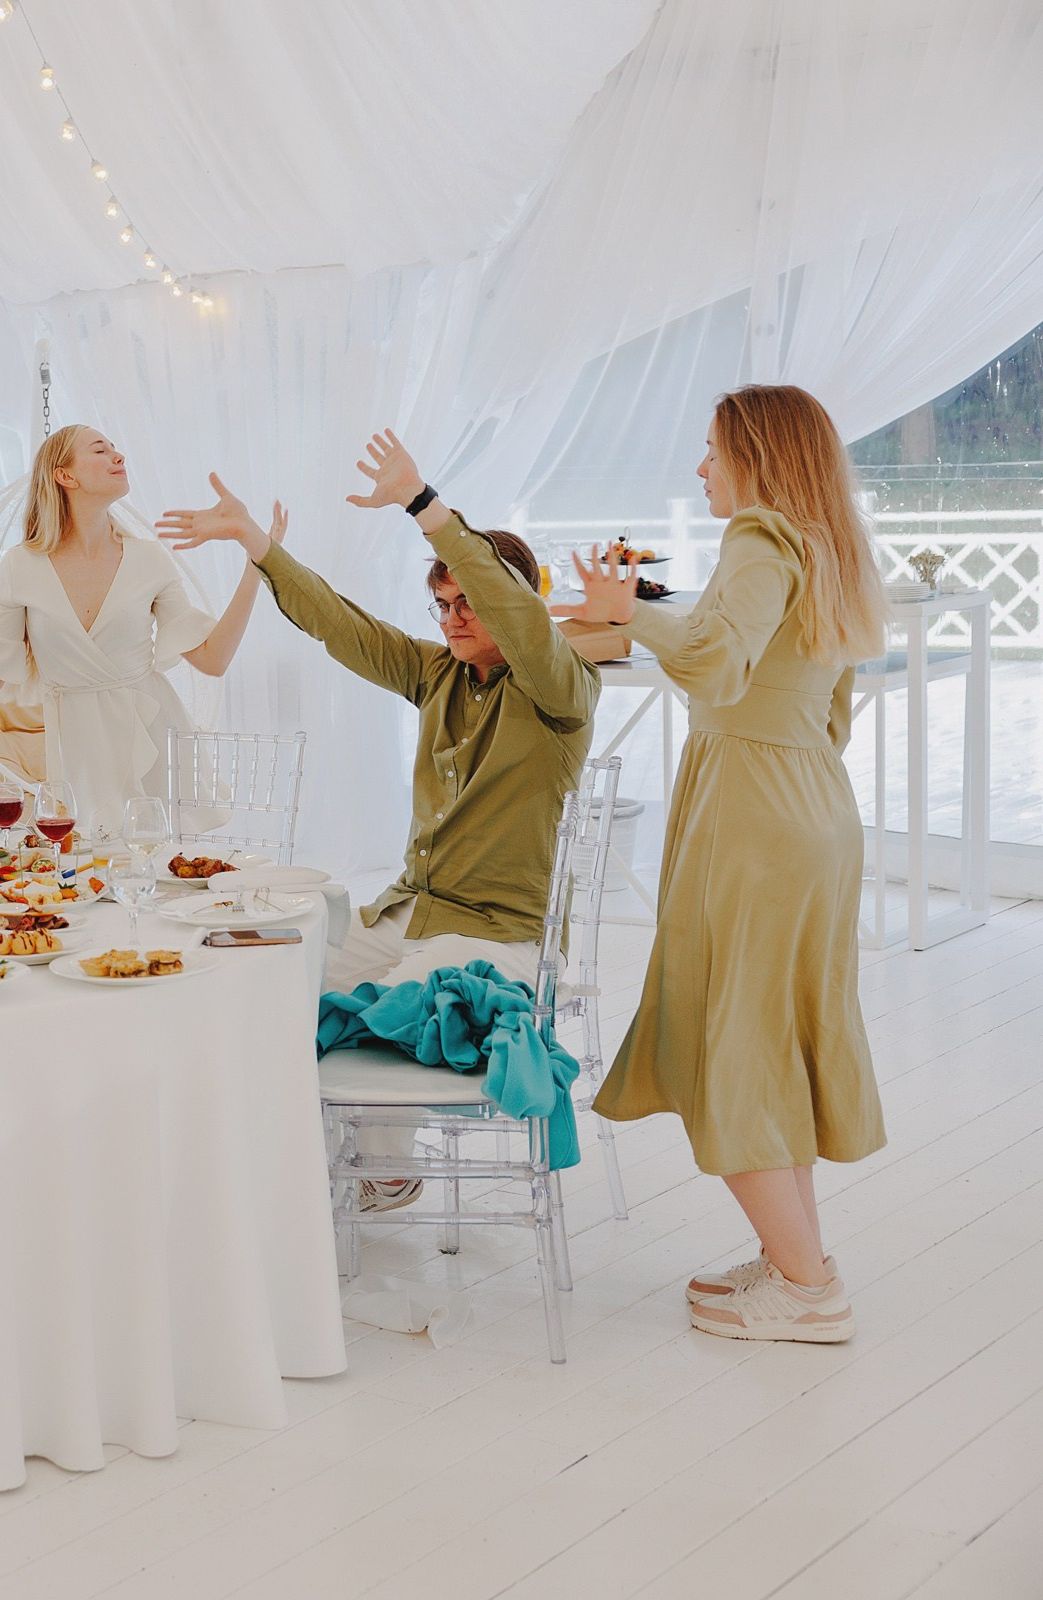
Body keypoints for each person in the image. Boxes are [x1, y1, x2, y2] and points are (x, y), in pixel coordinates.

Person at [160, 431, 599, 1210]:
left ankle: (386, 1173)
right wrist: (256, 541)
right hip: (411, 910)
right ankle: (286, 1157)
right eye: (443, 605)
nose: (453, 619)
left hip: (499, 931)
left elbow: (517, 616)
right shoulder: (437, 674)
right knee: (279, 974)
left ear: (515, 603)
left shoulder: (561, 689)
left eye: (469, 602)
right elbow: (342, 625)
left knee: (401, 1001)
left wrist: (422, 504)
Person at [553, 384, 886, 1344]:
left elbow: (716, 663)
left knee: (729, 1044)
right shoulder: (826, 546)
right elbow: (828, 707)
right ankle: (797, 1264)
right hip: (815, 803)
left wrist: (629, 614)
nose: (700, 467)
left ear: (757, 458)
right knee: (773, 1045)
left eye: (712, 450)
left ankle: (810, 1293)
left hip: (753, 814)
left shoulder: (757, 536)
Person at [0, 425, 272, 831]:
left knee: (159, 858)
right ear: (65, 475)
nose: (118, 456)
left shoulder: (149, 558)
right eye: (100, 450)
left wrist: (257, 561)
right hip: (78, 746)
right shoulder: (21, 566)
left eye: (115, 448)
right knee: (86, 856)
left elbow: (213, 660)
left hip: (151, 734)